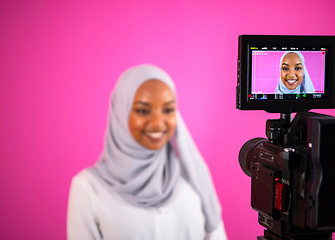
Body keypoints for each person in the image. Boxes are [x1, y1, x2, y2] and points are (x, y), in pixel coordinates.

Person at [67, 64, 228, 240]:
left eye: (168, 110)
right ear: (121, 112)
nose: (158, 123)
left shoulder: (192, 175)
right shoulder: (88, 189)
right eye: (143, 111)